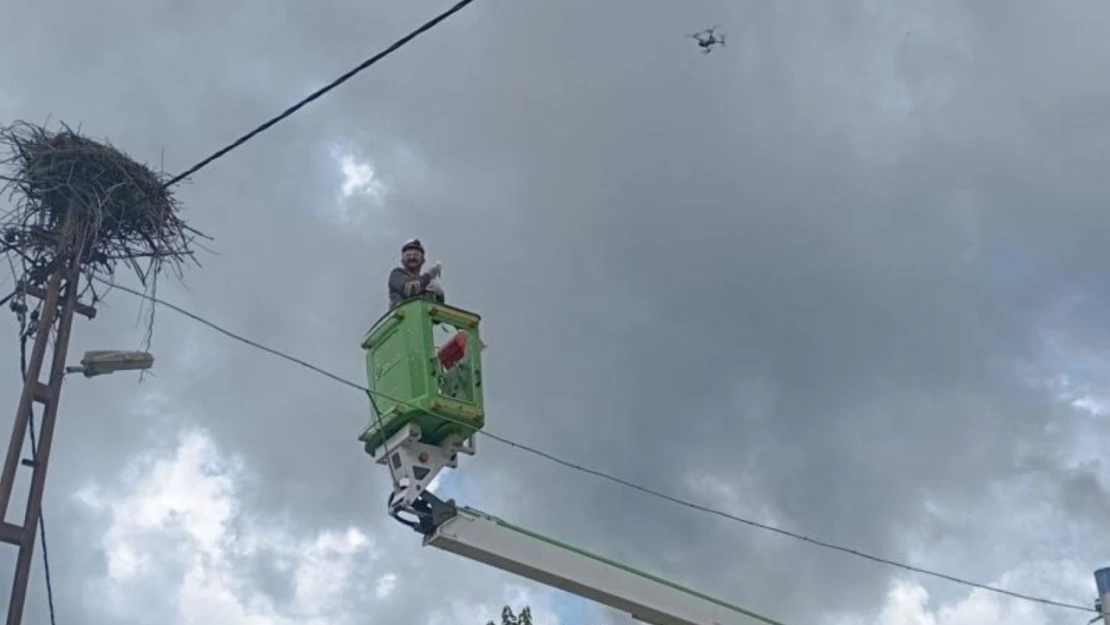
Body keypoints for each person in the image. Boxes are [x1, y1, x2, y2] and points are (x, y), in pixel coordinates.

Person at [388, 238, 444, 307]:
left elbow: (437, 309)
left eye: (416, 255)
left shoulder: (426, 282)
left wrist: (440, 295)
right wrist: (429, 275)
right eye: (408, 255)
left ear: (423, 260)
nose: (412, 257)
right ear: (402, 260)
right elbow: (411, 289)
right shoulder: (396, 274)